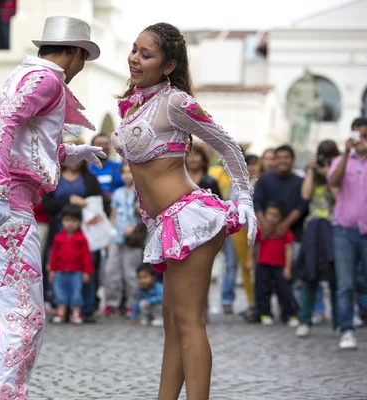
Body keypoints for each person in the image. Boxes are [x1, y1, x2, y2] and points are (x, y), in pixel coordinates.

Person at [111, 23, 256, 400]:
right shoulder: (135, 103)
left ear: (169, 64)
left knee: (189, 324)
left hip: (191, 219)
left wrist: (245, 199)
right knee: (173, 325)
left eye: (146, 54)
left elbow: (227, 147)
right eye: (133, 50)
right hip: (165, 223)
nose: (134, 59)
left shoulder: (175, 102)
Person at [0, 16, 103, 399]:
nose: (80, 68)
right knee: (24, 318)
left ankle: (1, 391)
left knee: (5, 314)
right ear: (75, 52)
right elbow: (1, 122)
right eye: (83, 59)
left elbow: (24, 139)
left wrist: (71, 151)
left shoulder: (25, 75)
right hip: (7, 205)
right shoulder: (47, 79)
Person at [41, 139, 104, 322]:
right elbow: (46, 204)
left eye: (79, 156)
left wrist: (84, 204)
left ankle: (84, 307)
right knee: (57, 267)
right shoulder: (54, 176)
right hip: (58, 230)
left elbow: (100, 203)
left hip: (85, 231)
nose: (75, 160)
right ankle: (59, 305)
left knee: (85, 267)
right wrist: (69, 202)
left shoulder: (90, 179)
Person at [328, 117, 367, 348]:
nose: (360, 141)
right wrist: (347, 154)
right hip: (344, 230)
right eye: (357, 135)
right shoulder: (340, 160)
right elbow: (334, 182)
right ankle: (346, 329)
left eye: (365, 136)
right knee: (345, 283)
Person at [295, 140, 340, 338]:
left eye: (328, 157)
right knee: (309, 276)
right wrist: (313, 172)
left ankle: (341, 322)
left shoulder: (338, 173)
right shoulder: (311, 173)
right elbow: (305, 194)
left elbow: (339, 197)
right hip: (313, 228)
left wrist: (328, 174)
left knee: (336, 278)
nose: (325, 161)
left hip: (334, 227)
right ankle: (305, 320)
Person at [246, 202, 298, 326]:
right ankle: (265, 313)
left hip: (280, 265)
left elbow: (288, 249)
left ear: (281, 217)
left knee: (284, 291)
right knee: (262, 290)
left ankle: (288, 314)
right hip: (263, 264)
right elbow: (252, 245)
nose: (271, 218)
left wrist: (288, 267)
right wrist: (249, 260)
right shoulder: (260, 230)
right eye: (269, 214)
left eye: (275, 215)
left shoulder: (284, 232)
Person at [103, 163, 143, 316]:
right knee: (111, 271)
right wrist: (111, 232)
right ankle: (112, 302)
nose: (127, 175)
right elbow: (113, 214)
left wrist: (135, 225)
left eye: (130, 172)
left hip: (134, 237)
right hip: (117, 236)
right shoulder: (118, 193)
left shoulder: (140, 192)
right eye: (124, 172)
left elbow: (145, 215)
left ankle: (132, 303)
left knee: (131, 272)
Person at [48, 204, 93, 324]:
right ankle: (61, 312)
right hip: (60, 271)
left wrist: (87, 272)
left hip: (77, 272)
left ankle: (76, 313)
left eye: (74, 221)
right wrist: (52, 270)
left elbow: (86, 256)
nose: (70, 224)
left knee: (76, 293)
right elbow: (53, 255)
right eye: (67, 220)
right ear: (62, 221)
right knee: (60, 292)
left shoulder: (81, 238)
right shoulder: (58, 238)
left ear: (79, 222)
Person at [230, 154, 260, 319]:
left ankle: (260, 301)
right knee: (245, 267)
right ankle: (251, 302)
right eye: (249, 164)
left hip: (258, 228)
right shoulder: (236, 182)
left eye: (255, 164)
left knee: (258, 266)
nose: (252, 168)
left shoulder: (261, 182)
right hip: (241, 230)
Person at [89, 132, 124, 215]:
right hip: (93, 214)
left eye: (106, 144)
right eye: (99, 144)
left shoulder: (120, 168)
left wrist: (116, 196)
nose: (103, 147)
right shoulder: (86, 169)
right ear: (91, 147)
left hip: (116, 214)